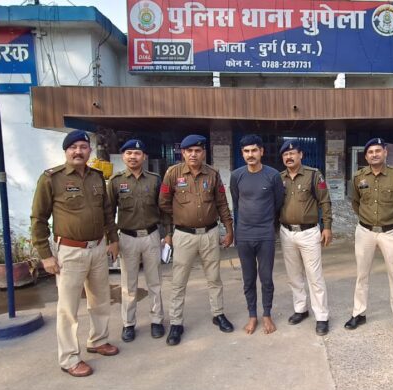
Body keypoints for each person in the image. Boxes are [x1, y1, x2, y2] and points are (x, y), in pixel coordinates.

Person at [31, 130, 120, 378]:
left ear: (89, 151)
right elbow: (38, 218)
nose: (78, 151)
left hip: (98, 248)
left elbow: (107, 213)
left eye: (83, 147)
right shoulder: (51, 179)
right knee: (68, 308)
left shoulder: (97, 177)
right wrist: (45, 255)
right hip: (70, 252)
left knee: (100, 300)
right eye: (73, 147)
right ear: (66, 151)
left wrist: (113, 239)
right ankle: (69, 358)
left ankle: (98, 340)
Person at [158, 134, 234, 346]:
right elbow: (163, 204)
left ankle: (218, 314)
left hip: (209, 234)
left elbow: (222, 204)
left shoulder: (213, 174)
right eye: (189, 151)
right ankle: (176, 323)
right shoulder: (172, 174)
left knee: (214, 278)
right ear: (183, 153)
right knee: (178, 281)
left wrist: (229, 230)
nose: (193, 154)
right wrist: (171, 230)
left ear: (204, 153)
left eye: (197, 151)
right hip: (184, 236)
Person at [347, 138, 393, 336]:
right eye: (370, 152)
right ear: (366, 156)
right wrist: (367, 219)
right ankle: (359, 313)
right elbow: (355, 202)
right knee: (362, 274)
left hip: (390, 232)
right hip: (365, 231)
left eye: (378, 151)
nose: (374, 154)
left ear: (385, 152)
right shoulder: (358, 177)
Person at [108, 139, 168, 342]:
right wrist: (112, 239)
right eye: (129, 153)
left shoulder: (154, 180)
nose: (133, 157)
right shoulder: (115, 181)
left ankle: (157, 320)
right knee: (128, 284)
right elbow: (109, 213)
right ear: (123, 156)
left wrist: (167, 233)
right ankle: (128, 324)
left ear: (144, 157)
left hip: (151, 236)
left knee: (155, 282)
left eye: (137, 153)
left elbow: (164, 209)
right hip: (127, 238)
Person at [229, 134, 285, 335]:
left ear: (261, 151)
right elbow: (236, 202)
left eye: (254, 150)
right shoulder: (237, 176)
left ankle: (267, 314)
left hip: (265, 234)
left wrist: (267, 223)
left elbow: (278, 203)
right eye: (246, 151)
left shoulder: (273, 175)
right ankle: (252, 315)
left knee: (266, 278)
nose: (250, 154)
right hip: (244, 234)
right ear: (242, 153)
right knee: (248, 278)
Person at [278, 139, 333, 336]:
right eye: (285, 154)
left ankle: (322, 316)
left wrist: (327, 227)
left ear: (300, 155)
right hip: (286, 232)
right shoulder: (279, 178)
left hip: (309, 233)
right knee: (294, 275)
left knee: (314, 276)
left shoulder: (313, 175)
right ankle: (300, 309)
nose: (289, 157)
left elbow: (325, 201)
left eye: (292, 153)